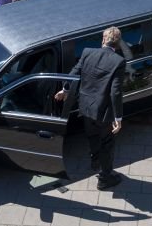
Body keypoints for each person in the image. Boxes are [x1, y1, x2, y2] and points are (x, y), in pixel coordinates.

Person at [54, 26, 126, 190]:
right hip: (103, 112)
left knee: (92, 136)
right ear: (118, 44)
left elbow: (73, 74)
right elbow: (115, 92)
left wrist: (64, 90)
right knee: (107, 143)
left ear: (103, 39)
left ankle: (95, 161)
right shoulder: (118, 62)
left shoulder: (87, 52)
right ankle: (105, 178)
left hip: (86, 107)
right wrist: (118, 118)